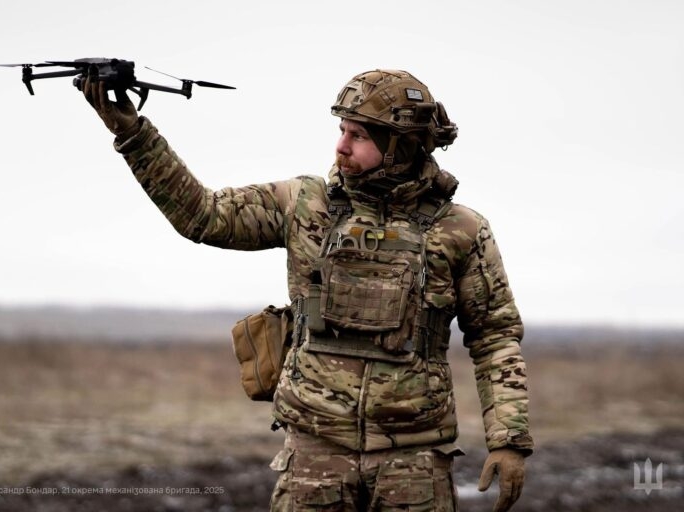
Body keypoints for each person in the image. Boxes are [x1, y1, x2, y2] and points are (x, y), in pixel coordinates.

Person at [82, 69, 533, 511]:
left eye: (359, 135)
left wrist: (508, 440)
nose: (341, 145)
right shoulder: (303, 204)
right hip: (314, 456)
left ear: (401, 145)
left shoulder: (461, 230)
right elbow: (205, 215)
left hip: (414, 461)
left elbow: (495, 338)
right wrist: (135, 135)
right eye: (342, 130)